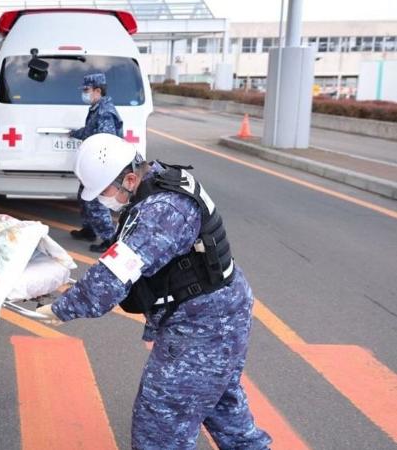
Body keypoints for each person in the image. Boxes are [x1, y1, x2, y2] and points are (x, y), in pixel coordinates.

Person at [37, 134, 272, 450]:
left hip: (203, 327)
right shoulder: (161, 180)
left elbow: (113, 275)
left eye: (104, 191)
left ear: (130, 178)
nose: (100, 200)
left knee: (160, 428)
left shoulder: (162, 210)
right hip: (218, 316)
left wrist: (63, 307)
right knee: (222, 409)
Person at [69, 72, 123, 254]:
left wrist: (100, 169)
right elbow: (91, 130)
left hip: (102, 164)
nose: (84, 93)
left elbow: (105, 140)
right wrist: (75, 133)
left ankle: (109, 239)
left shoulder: (105, 112)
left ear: (97, 90)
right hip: (94, 162)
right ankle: (89, 230)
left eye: (87, 90)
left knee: (95, 201)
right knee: (84, 196)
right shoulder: (97, 109)